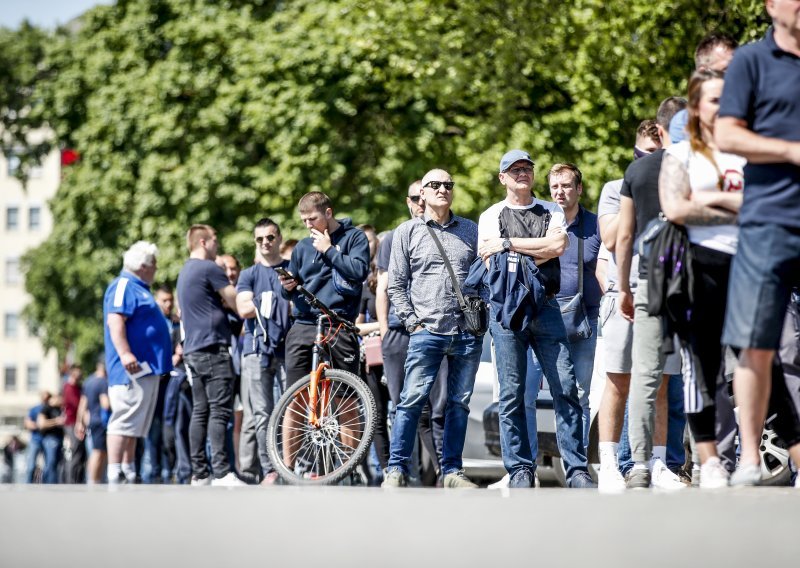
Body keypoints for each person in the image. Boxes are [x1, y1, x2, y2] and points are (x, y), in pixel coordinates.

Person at [715, 0, 800, 485]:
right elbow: (727, 132)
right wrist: (789, 149)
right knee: (757, 344)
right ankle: (749, 459)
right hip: (769, 221)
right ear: (770, 5)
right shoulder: (751, 60)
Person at [478, 150, 593, 489]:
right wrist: (536, 249)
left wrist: (509, 244)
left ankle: (576, 470)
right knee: (512, 394)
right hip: (507, 311)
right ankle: (519, 470)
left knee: (566, 387)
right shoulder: (491, 215)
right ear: (502, 178)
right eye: (514, 170)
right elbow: (491, 263)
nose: (522, 174)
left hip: (547, 306)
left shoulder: (551, 209)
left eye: (527, 168)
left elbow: (557, 246)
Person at [594, 120, 685, 492]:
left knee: (661, 381)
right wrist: (640, 195)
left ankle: (658, 461)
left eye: (655, 155)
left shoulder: (677, 184)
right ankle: (610, 462)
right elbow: (612, 239)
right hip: (624, 293)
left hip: (663, 290)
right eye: (641, 156)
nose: (648, 161)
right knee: (618, 378)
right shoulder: (616, 188)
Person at [383, 169, 483, 489]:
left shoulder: (470, 229)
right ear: (421, 194)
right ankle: (396, 469)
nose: (443, 189)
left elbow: (483, 279)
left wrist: (482, 314)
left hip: (466, 333)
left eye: (448, 185)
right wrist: (413, 323)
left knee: (458, 404)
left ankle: (452, 471)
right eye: (435, 185)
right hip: (426, 331)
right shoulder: (406, 231)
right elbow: (395, 285)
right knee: (411, 401)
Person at [616, 97, 688, 489]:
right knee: (702, 372)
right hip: (696, 278)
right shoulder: (700, 167)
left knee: (645, 374)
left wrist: (624, 285)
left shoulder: (638, 170)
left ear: (658, 131)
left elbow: (625, 234)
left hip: (650, 279)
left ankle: (639, 464)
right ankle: (717, 458)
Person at [375, 181, 448, 484]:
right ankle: (400, 471)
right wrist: (383, 332)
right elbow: (383, 286)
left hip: (433, 330)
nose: (421, 203)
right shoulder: (395, 237)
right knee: (404, 406)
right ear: (409, 201)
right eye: (416, 198)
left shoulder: (443, 232)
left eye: (424, 197)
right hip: (397, 330)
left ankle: (446, 469)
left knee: (438, 407)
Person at [177, 225, 244, 486]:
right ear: (203, 242)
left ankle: (200, 473)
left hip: (193, 350)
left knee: (201, 411)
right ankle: (222, 472)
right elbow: (236, 301)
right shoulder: (209, 268)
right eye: (215, 240)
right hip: (212, 348)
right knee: (219, 411)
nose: (217, 244)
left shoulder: (185, 271)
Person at [103, 241, 174, 485]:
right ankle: (115, 469)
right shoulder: (124, 285)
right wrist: (125, 353)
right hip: (131, 370)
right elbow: (115, 320)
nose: (156, 269)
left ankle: (128, 467)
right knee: (123, 419)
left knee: (135, 423)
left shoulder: (138, 287)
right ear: (143, 266)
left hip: (146, 369)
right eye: (154, 264)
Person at [547, 163, 602, 449]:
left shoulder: (596, 224)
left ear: (579, 189)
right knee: (556, 393)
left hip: (586, 321)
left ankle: (576, 463)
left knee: (581, 392)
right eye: (555, 186)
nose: (560, 192)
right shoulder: (541, 222)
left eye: (566, 185)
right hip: (545, 321)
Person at [236, 218, 291, 485]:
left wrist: (261, 301)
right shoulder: (249, 274)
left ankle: (293, 467)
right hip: (256, 350)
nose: (265, 243)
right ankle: (269, 467)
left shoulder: (292, 270)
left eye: (270, 237)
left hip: (287, 349)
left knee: (292, 410)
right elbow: (243, 309)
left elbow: (300, 306)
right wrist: (268, 300)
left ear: (279, 238)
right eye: (260, 239)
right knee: (261, 414)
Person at [668, 34, 738, 144]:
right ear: (703, 72)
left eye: (739, 67)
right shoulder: (684, 123)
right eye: (727, 69)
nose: (737, 74)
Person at [76, 361, 110, 484]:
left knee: (94, 452)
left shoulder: (88, 381)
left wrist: (79, 423)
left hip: (91, 421)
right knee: (98, 452)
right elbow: (105, 404)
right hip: (101, 422)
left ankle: (92, 480)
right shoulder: (102, 382)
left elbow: (82, 405)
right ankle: (94, 482)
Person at [62, 364, 86, 483]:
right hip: (71, 424)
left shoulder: (77, 388)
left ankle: (77, 479)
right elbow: (77, 404)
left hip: (77, 423)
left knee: (80, 453)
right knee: (75, 452)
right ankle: (71, 481)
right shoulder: (69, 387)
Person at [37, 394, 65, 484]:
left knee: (57, 463)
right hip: (50, 438)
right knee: (51, 462)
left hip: (60, 438)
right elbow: (41, 424)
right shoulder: (46, 408)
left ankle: (54, 483)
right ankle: (49, 484)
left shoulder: (60, 409)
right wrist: (56, 421)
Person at [24, 391, 50, 483]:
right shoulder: (35, 409)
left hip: (47, 440)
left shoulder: (51, 409)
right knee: (31, 465)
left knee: (48, 465)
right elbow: (27, 423)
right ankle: (28, 484)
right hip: (35, 440)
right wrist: (39, 425)